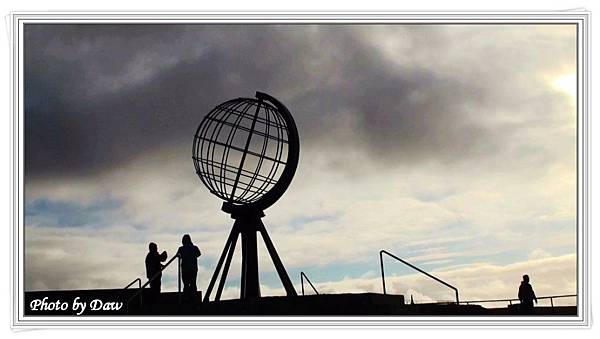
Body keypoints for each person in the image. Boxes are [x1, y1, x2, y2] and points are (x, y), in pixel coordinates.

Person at [177, 234, 201, 301]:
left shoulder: (181, 249)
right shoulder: (194, 248)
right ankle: (194, 298)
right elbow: (198, 254)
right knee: (193, 283)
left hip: (185, 269)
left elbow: (178, 256)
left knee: (186, 284)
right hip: (193, 268)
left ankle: (186, 298)